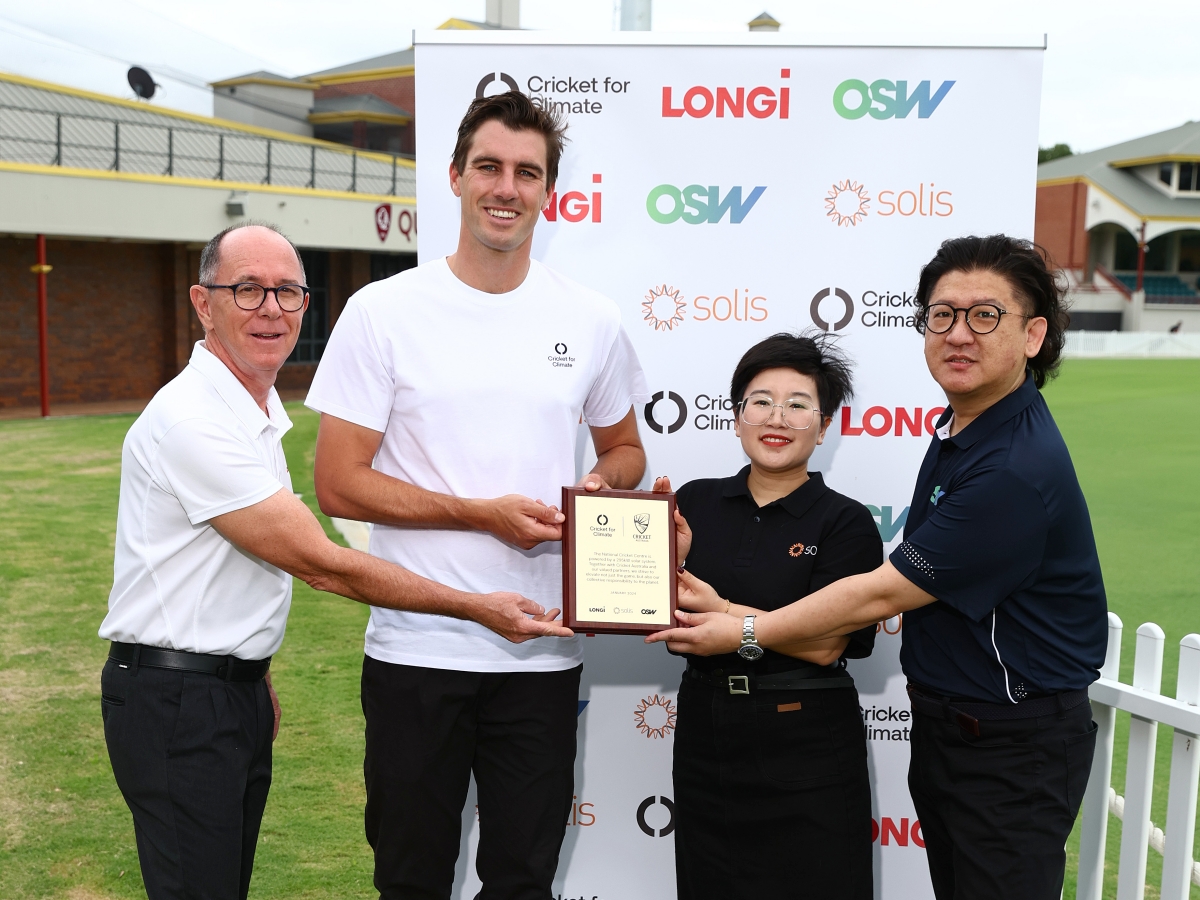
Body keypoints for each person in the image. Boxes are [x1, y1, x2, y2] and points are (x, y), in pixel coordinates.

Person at [99, 222, 566, 900]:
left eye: (287, 292)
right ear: (204, 303)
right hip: (180, 702)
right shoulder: (193, 422)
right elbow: (324, 564)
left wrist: (244, 677)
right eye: (248, 290)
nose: (271, 310)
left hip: (219, 691)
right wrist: (474, 605)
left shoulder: (248, 414)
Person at [649, 235, 1107, 900]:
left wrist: (738, 628)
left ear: (1033, 335)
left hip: (1010, 742)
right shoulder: (963, 432)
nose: (958, 333)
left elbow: (878, 597)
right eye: (941, 314)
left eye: (986, 316)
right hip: (959, 730)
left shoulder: (1011, 467)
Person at [306, 91, 649, 900]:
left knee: (523, 878)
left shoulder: (591, 318)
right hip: (417, 649)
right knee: (411, 876)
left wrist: (605, 485)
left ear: (548, 191)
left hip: (544, 647)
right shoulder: (381, 311)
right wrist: (476, 512)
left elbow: (627, 450)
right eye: (489, 167)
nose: (507, 187)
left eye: (527, 172)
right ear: (456, 178)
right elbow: (338, 484)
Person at [653, 333, 881, 900]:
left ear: (824, 427)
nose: (777, 417)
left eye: (799, 404)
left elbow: (827, 645)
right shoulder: (694, 504)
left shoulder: (847, 523)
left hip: (805, 734)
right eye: (761, 401)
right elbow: (667, 618)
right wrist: (664, 571)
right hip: (707, 728)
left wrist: (726, 615)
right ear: (735, 418)